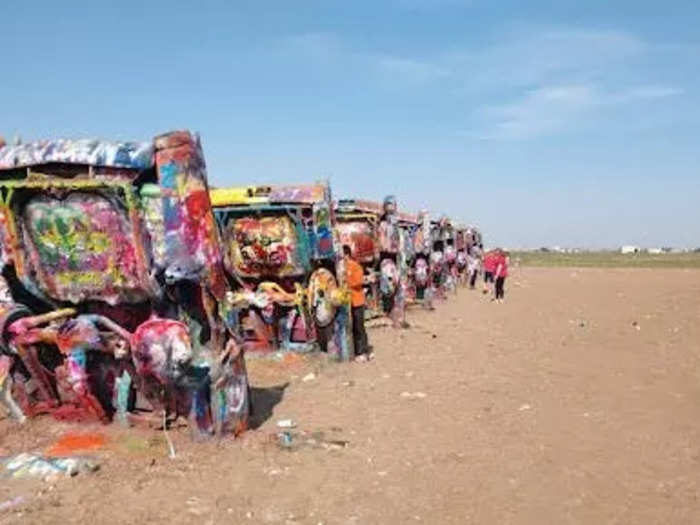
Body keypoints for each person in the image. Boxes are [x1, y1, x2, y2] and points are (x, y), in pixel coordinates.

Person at [344, 245, 371, 362]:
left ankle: (363, 351)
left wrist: (346, 283)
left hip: (357, 301)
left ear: (347, 255)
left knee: (359, 327)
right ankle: (356, 351)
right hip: (347, 302)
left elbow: (358, 281)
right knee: (351, 328)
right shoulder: (341, 267)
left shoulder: (355, 266)